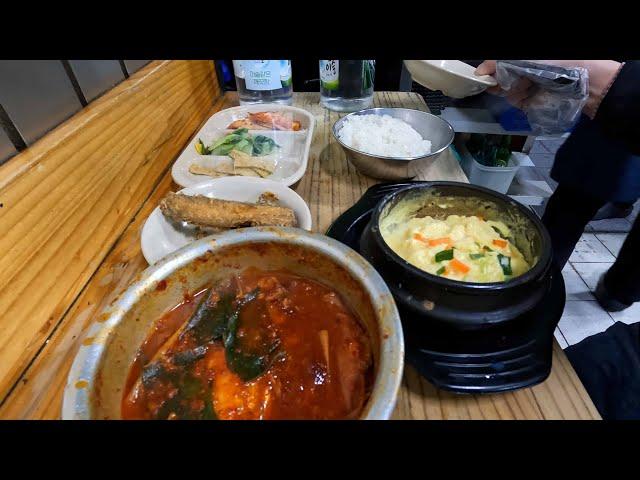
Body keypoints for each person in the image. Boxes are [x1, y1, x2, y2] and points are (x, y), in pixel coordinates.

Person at [476, 60, 640, 312]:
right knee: (575, 198)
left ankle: (539, 287)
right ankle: (613, 290)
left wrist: (615, 85)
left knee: (572, 204)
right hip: (616, 99)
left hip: (618, 99)